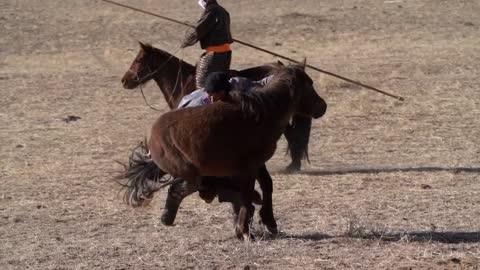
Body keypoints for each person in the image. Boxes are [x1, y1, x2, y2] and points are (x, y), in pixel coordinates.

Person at [181, 0, 233, 89]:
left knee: (202, 84)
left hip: (215, 55)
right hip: (225, 54)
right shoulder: (222, 11)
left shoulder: (211, 11)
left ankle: (207, 102)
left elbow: (198, 31)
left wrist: (185, 42)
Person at [177, 71, 274, 108]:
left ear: (222, 91)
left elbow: (261, 83)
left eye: (213, 95)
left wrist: (283, 75)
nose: (210, 98)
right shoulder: (199, 103)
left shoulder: (237, 84)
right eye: (208, 94)